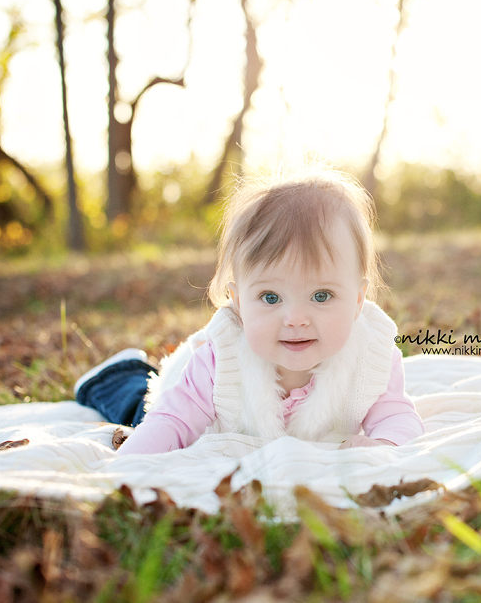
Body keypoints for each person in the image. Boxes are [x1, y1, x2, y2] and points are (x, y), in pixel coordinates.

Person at [74, 162, 424, 454]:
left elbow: (399, 418)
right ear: (239, 303)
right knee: (141, 411)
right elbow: (173, 420)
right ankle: (118, 374)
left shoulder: (371, 358)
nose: (296, 320)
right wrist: (124, 470)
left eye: (321, 296)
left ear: (358, 301)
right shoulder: (219, 361)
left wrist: (384, 443)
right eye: (271, 298)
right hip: (193, 397)